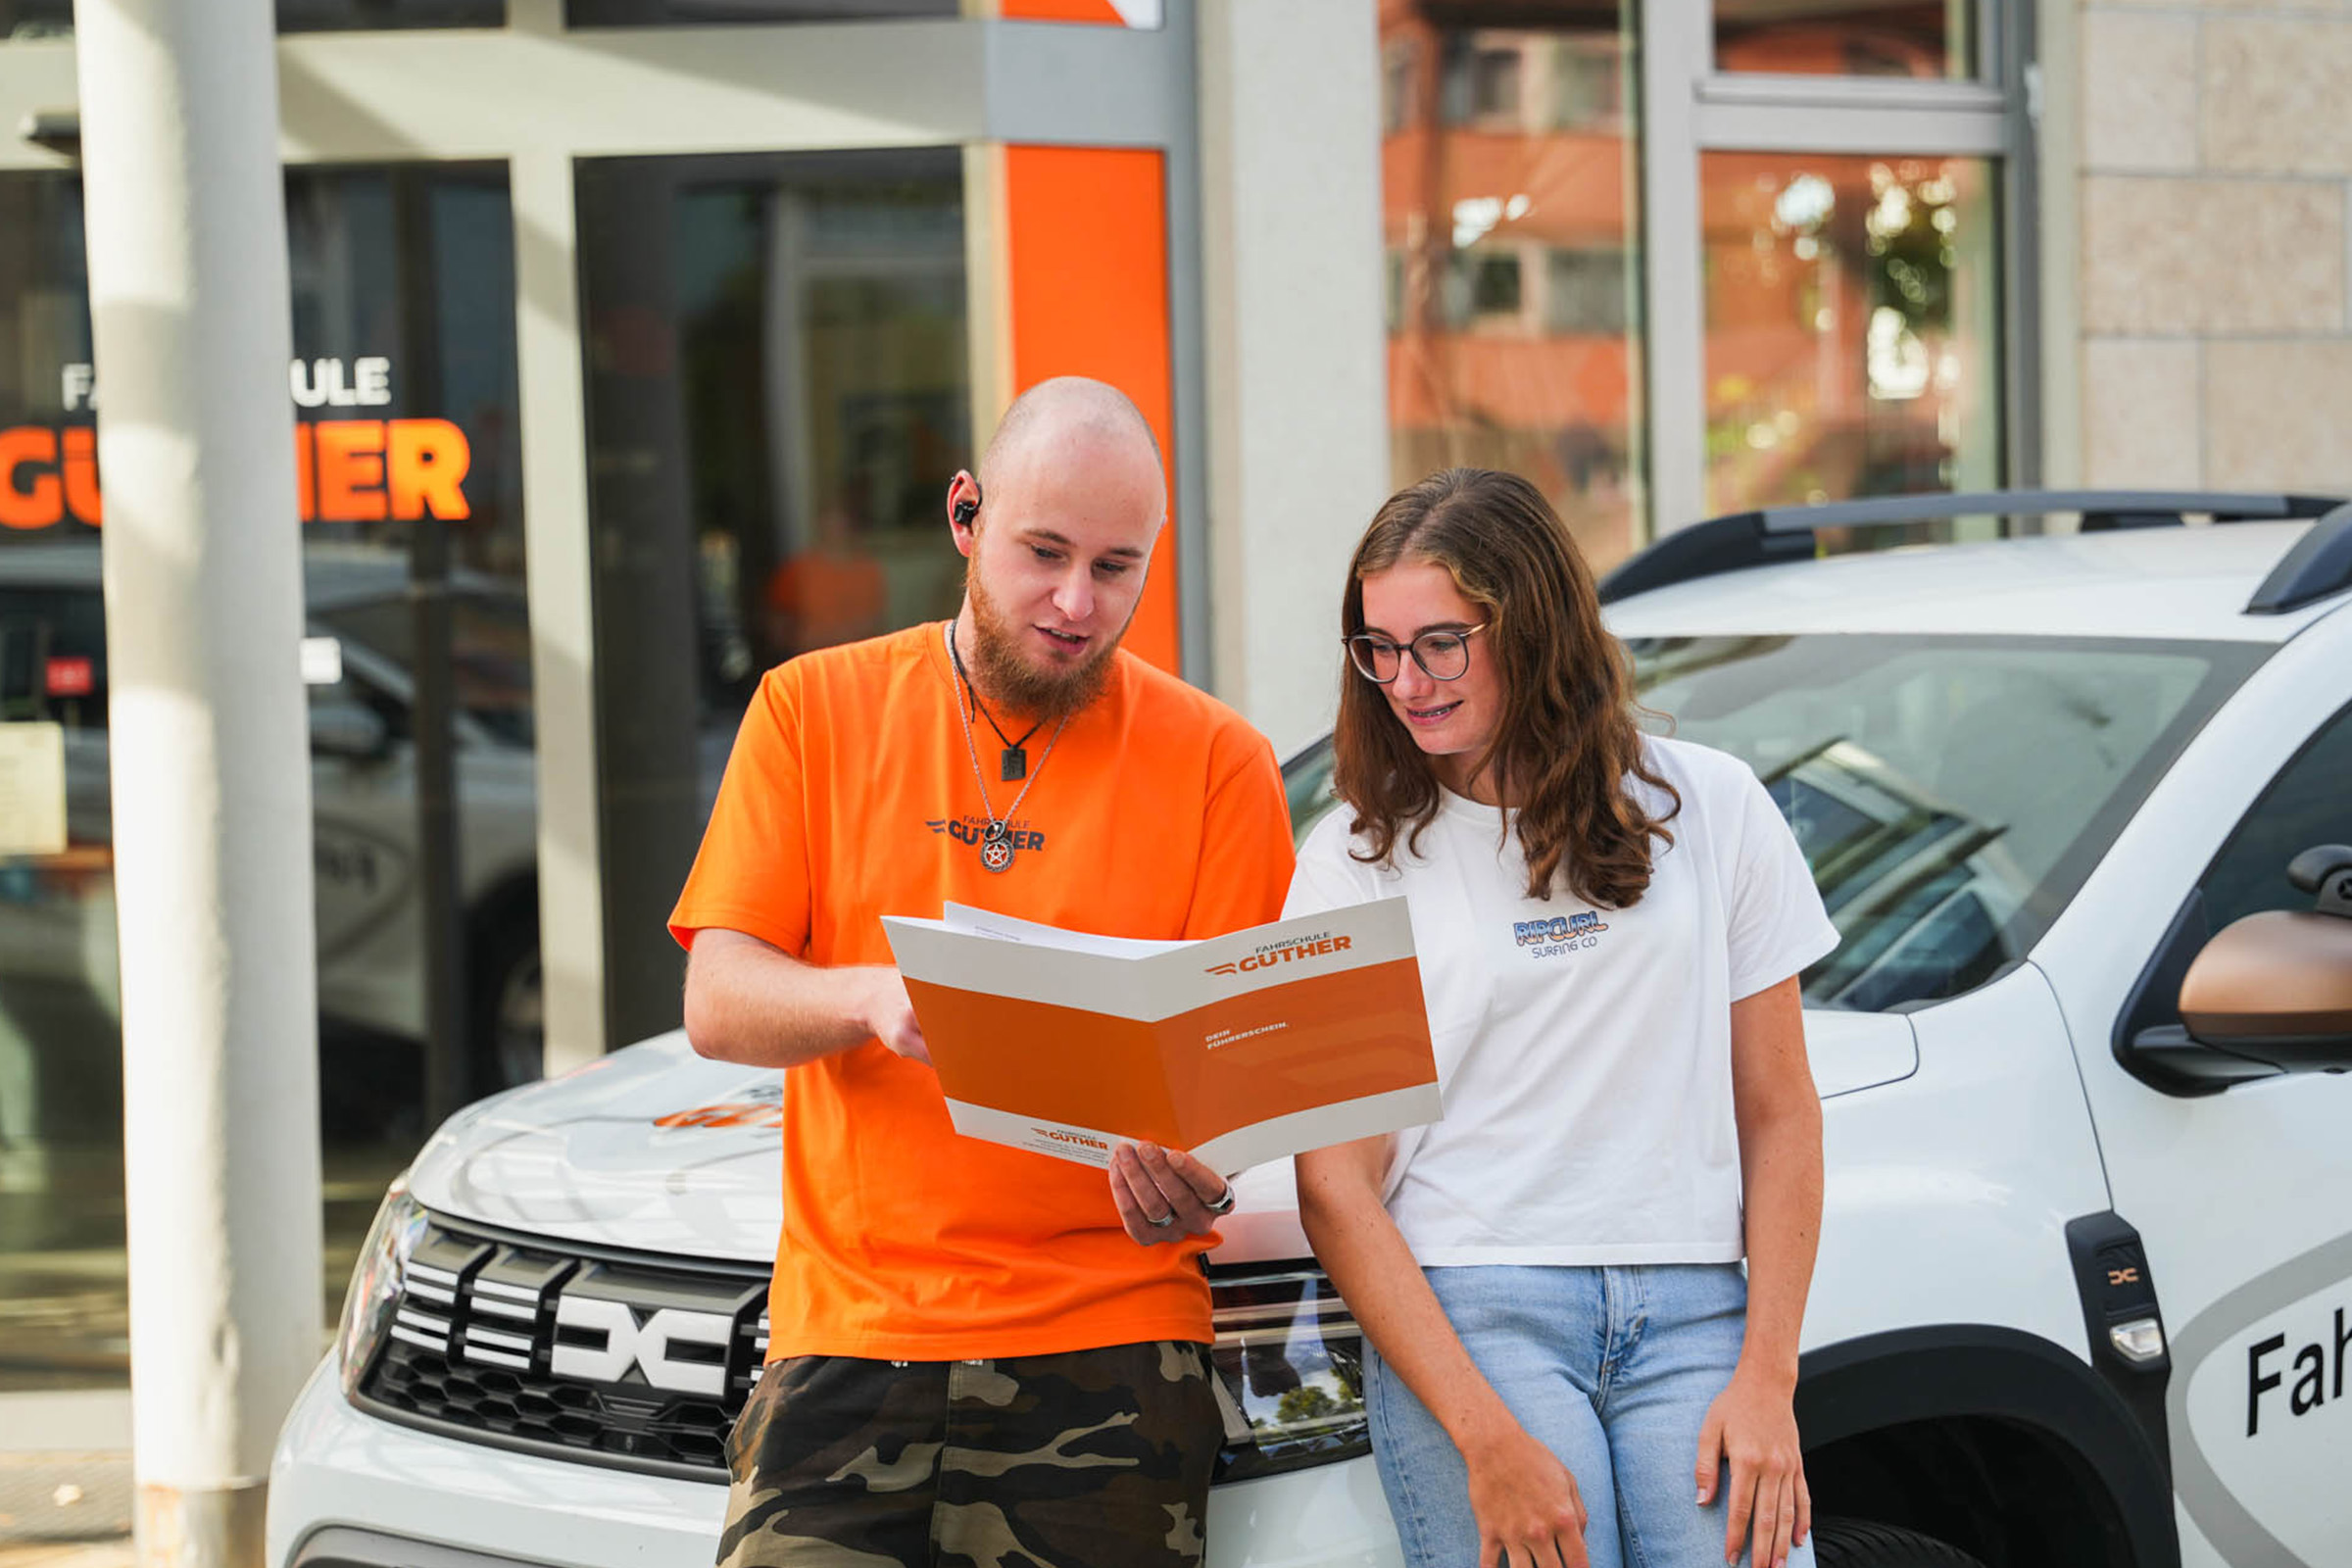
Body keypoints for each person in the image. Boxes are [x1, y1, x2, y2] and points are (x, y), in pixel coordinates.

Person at [670, 376, 1295, 1568]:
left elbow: (1240, 1077)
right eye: (1043, 552)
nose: (1075, 602)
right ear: (966, 514)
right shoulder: (811, 711)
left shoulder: (1222, 763)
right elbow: (718, 999)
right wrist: (866, 995)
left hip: (1113, 1346)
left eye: (1116, 568)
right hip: (851, 1335)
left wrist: (1202, 1163)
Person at [1289, 467, 1836, 1568]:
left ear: (1531, 623)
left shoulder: (1711, 806)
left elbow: (1780, 1110)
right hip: (1477, 1315)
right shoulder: (1354, 861)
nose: (1406, 678)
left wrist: (1769, 1375)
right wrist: (1484, 1437)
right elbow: (1335, 1184)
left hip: (1695, 1307)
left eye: (1440, 641)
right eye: (1377, 646)